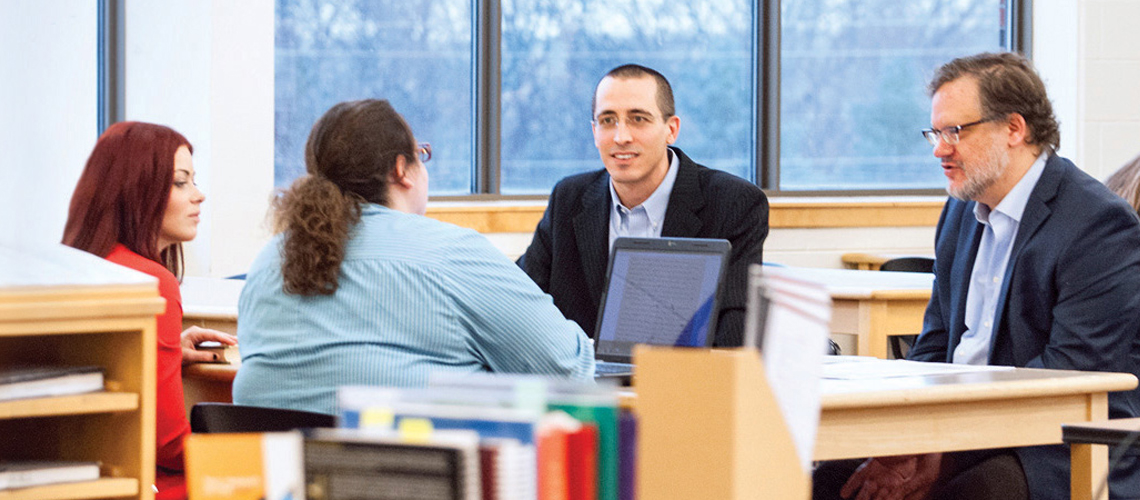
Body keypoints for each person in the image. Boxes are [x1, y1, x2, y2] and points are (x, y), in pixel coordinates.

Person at [813, 52, 1140, 500]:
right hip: (958, 428)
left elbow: (1066, 378)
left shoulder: (1097, 224)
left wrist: (944, 456)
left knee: (975, 492)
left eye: (955, 132)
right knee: (826, 477)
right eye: (935, 132)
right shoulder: (961, 208)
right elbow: (934, 342)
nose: (939, 148)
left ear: (1014, 129)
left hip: (1060, 440)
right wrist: (901, 438)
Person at [232, 99, 595, 416]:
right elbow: (565, 370)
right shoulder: (451, 254)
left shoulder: (270, 260)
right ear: (401, 170)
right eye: (422, 156)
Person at [517, 64, 769, 347]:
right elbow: (521, 301)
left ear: (671, 129)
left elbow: (736, 332)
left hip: (684, 382)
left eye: (638, 119)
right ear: (594, 131)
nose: (621, 136)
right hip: (586, 382)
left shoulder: (733, 202)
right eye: (608, 120)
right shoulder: (569, 199)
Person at [62, 121, 238, 500]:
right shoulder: (153, 282)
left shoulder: (85, 264)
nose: (199, 195)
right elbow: (171, 445)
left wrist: (168, 347)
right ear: (137, 189)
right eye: (181, 182)